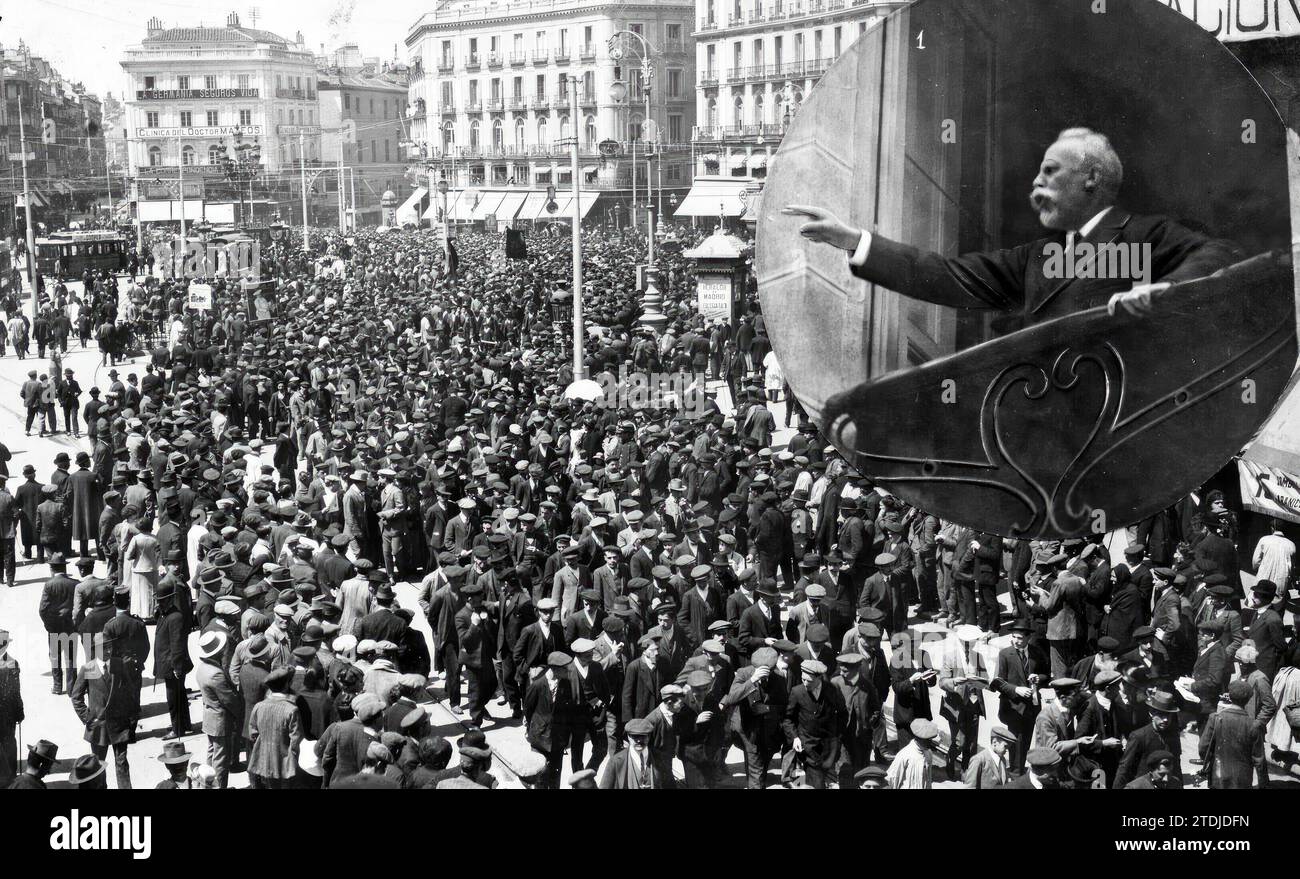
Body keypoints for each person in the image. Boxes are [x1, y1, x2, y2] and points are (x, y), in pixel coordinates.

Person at [785, 127, 1241, 334]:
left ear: (1091, 180)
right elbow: (946, 274)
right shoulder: (1036, 257)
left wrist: (1165, 290)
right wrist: (854, 241)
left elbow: (1221, 253)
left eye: (1049, 171)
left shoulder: (1146, 233)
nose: (1036, 183)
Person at [69, 654, 135, 788]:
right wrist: (87, 718)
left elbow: (130, 691)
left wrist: (131, 717)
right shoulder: (88, 669)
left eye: (109, 646)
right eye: (103, 647)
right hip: (99, 727)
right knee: (98, 765)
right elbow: (76, 697)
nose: (108, 650)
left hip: (119, 725)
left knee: (121, 762)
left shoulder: (119, 664)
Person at [0, 629, 24, 788]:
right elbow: (16, 691)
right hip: (7, 713)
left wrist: (19, 711)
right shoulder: (12, 662)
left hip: (7, 715)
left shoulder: (12, 663)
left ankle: (9, 779)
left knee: (8, 745)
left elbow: (16, 691)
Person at [885, 718, 938, 789]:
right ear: (918, 738)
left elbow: (928, 778)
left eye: (931, 739)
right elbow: (892, 778)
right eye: (927, 739)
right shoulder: (904, 755)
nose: (930, 743)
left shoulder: (928, 753)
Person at [965, 725, 1016, 789]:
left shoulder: (1002, 760)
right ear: (994, 742)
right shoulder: (978, 760)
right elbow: (970, 787)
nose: (1007, 750)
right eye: (1005, 746)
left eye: (1008, 748)